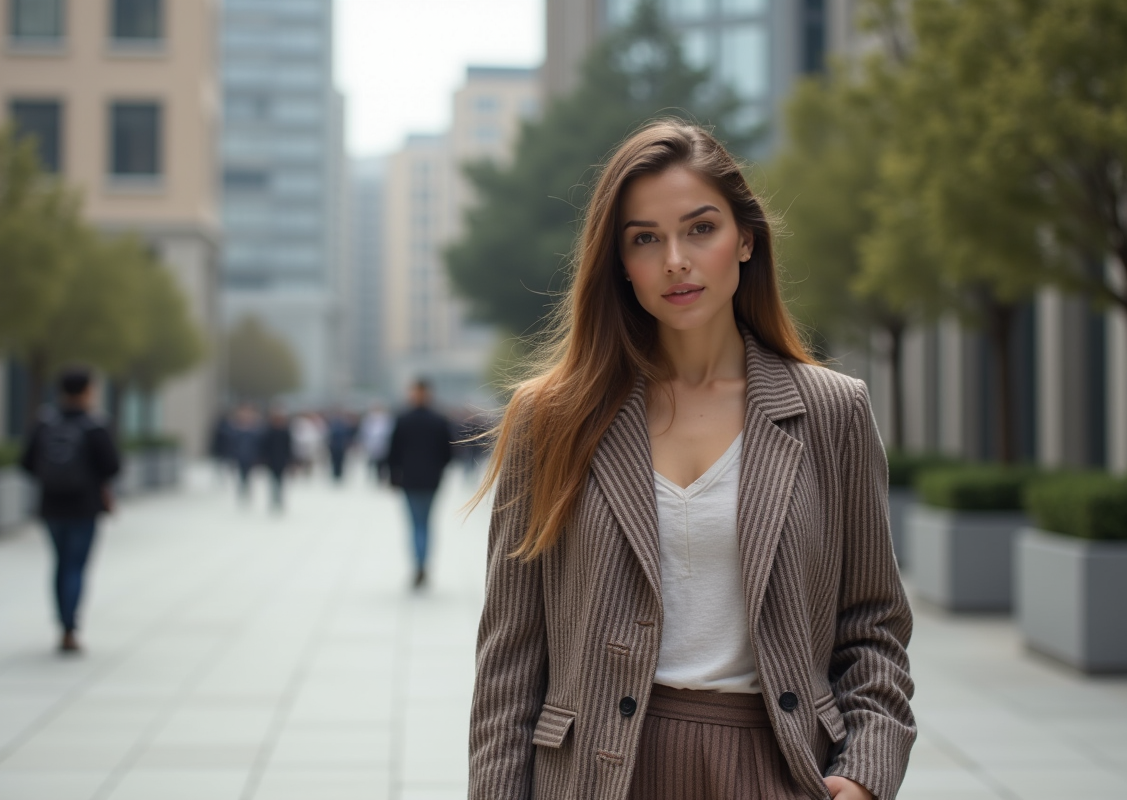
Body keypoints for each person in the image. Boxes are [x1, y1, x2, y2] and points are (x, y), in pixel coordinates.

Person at [468, 121, 915, 800]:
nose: (676, 260)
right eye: (645, 239)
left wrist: (863, 774)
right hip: (596, 775)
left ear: (746, 239)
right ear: (621, 263)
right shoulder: (553, 418)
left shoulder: (832, 411)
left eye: (700, 229)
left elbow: (873, 625)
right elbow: (509, 660)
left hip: (776, 768)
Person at [20, 368, 121, 654]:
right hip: (84, 506)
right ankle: (70, 628)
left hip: (51, 505)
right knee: (75, 566)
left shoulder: (45, 421)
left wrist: (51, 478)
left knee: (60, 563)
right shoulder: (95, 425)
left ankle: (62, 622)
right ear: (88, 390)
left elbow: (26, 463)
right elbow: (112, 466)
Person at [386, 379, 452, 588]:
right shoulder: (439, 420)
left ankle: (418, 563)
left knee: (415, 524)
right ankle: (423, 563)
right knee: (426, 523)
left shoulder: (403, 419)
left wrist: (392, 476)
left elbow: (393, 452)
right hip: (431, 479)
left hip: (409, 479)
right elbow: (448, 453)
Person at [261, 408, 294, 512]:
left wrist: (290, 460)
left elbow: (289, 447)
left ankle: (279, 499)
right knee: (272, 480)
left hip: (282, 460)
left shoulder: (285, 431)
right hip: (271, 460)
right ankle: (274, 499)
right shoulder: (269, 431)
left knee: (280, 480)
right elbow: (264, 447)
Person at [230, 405, 263, 503]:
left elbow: (259, 444)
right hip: (240, 455)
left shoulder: (256, 430)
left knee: (249, 474)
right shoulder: (236, 429)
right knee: (241, 474)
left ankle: (247, 491)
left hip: (251, 456)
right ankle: (242, 491)